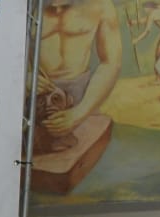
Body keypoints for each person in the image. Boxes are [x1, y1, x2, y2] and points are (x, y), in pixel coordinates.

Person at [36, 0, 123, 151]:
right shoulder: (23, 6)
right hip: (35, 98)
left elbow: (111, 62)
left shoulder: (101, 5)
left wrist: (80, 112)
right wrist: (24, 79)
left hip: (82, 96)